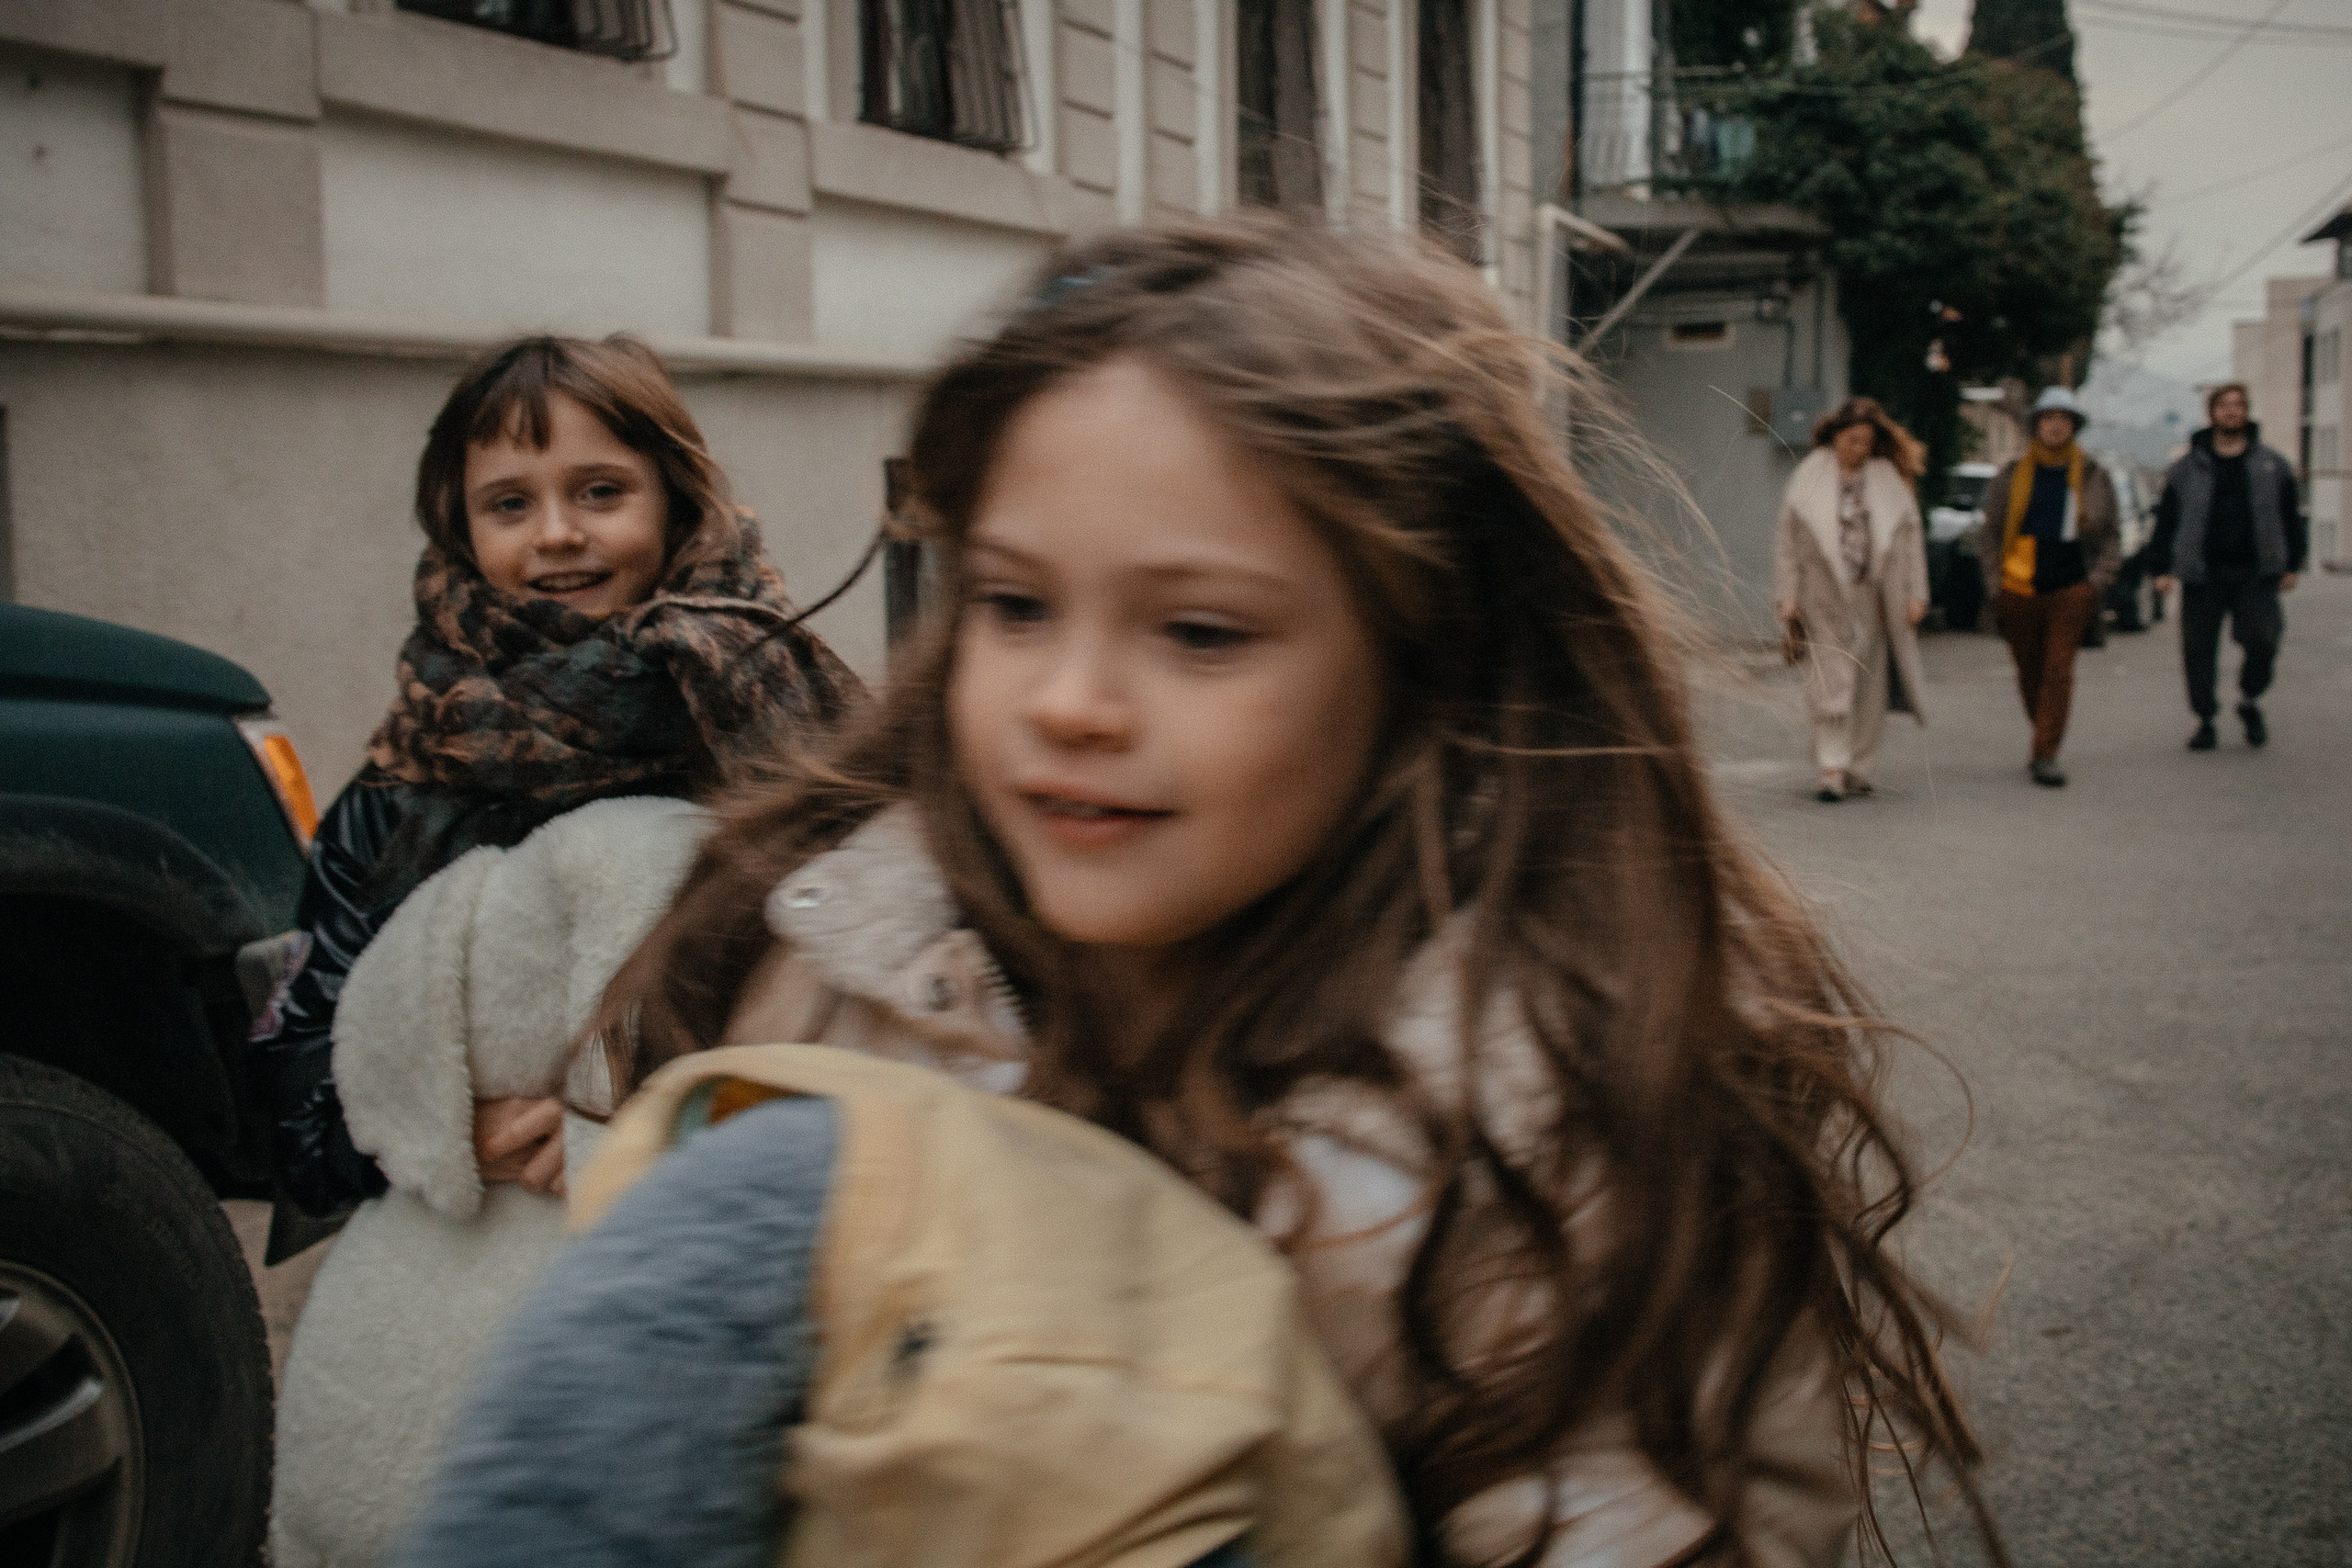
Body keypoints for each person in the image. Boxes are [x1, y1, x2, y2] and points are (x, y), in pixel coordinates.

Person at [520, 222, 1999, 1566]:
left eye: (1203, 629)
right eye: (1017, 603)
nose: (1074, 701)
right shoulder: (821, 945)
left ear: (1417, 656)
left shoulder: (1549, 1118)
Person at [255, 334, 857, 1567]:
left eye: (601, 490)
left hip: (717, 1331)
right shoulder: (406, 780)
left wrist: (644, 1124)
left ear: (677, 499)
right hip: (443, 1354)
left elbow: (883, 1018)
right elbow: (293, 1085)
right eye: (509, 503)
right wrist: (441, 1123)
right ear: (457, 524)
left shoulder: (775, 730)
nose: (558, 536)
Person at [1774, 397, 1931, 802]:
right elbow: (1787, 543)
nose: (1857, 448)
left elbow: (1912, 538)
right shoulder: (1809, 474)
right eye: (1851, 439)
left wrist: (1916, 594)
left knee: (1869, 682)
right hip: (1823, 595)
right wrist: (1786, 595)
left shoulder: (1885, 478)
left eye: (1865, 441)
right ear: (1836, 435)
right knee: (1828, 681)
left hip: (1875, 597)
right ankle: (1831, 767)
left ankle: (1858, 765)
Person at [1974, 386, 2122, 787]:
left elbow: (2111, 537)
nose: (2055, 425)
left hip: (2071, 587)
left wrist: (2096, 583)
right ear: (2036, 425)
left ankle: (2046, 753)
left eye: (2064, 418)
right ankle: (2045, 730)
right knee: (2029, 671)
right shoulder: (2011, 475)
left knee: (2058, 670)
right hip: (2018, 588)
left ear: (2073, 426)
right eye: (2048, 417)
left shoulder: (2092, 474)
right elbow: (1988, 533)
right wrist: (1995, 582)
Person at [2149, 382, 2306, 750]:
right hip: (2203, 574)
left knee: (2263, 640)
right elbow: (2167, 520)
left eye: (2239, 405)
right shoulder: (2187, 469)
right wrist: (2161, 568)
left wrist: (2293, 563)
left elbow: (2290, 518)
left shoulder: (2272, 465)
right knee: (2198, 650)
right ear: (2212, 412)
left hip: (2256, 571)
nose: (2232, 412)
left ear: (2247, 411)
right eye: (2225, 405)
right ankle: (2205, 719)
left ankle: (2250, 699)